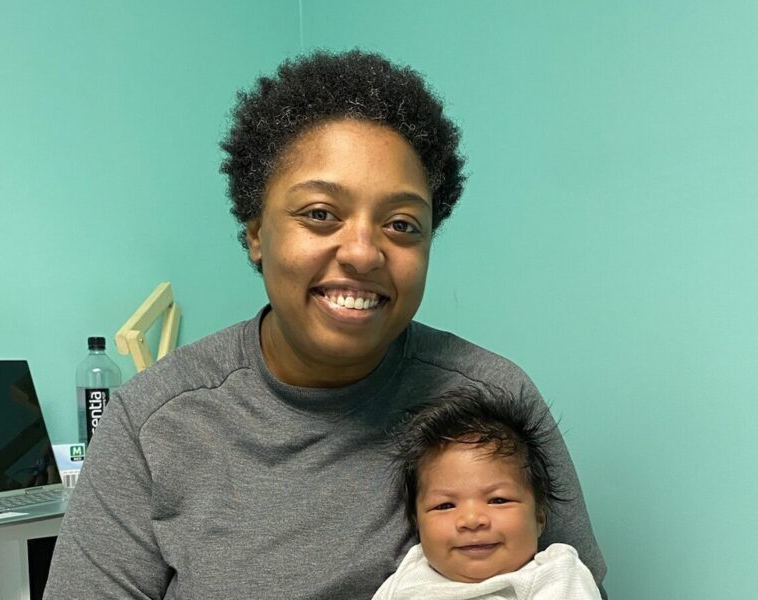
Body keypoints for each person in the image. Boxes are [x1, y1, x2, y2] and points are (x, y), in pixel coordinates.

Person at [44, 50, 606, 599]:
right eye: (320, 214)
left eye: (402, 223)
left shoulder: (492, 402)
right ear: (257, 233)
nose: (363, 252)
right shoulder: (155, 419)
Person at [372, 387, 601, 599]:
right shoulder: (408, 575)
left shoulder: (554, 572)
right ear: (417, 522)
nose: (471, 520)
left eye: (498, 500)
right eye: (445, 505)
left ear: (539, 516)